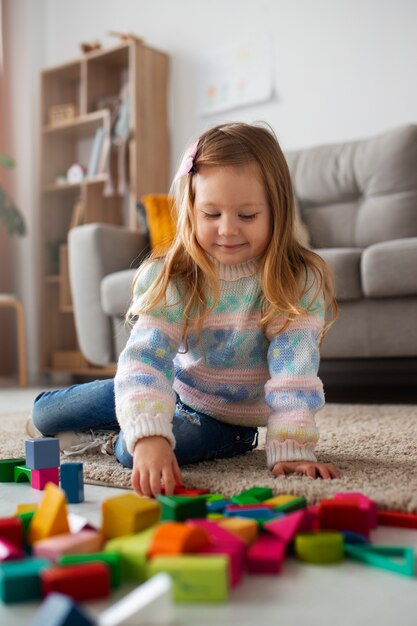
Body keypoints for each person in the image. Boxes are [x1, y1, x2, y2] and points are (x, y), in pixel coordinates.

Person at [30, 122, 340, 498]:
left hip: (226, 423)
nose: (227, 230)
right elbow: (145, 360)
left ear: (277, 210)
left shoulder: (296, 280)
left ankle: (110, 436)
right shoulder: (175, 276)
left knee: (134, 450)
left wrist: (292, 447)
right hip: (174, 388)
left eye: (247, 216)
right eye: (212, 214)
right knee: (45, 415)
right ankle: (134, 415)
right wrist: (148, 415)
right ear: (191, 210)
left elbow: (294, 377)